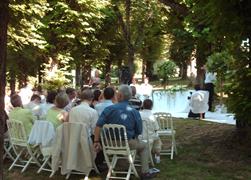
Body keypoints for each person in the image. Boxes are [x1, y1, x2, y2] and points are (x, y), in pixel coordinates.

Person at [93, 85, 158, 178]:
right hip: (127, 143)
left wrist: (96, 141)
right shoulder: (134, 111)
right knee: (144, 146)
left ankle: (123, 166)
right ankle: (145, 172)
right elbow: (139, 131)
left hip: (108, 143)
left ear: (120, 96)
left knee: (128, 145)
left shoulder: (109, 109)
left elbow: (98, 125)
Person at [140, 99, 162, 163]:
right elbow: (156, 128)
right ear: (152, 106)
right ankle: (157, 156)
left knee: (155, 139)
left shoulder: (138, 114)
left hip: (140, 137)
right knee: (158, 141)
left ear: (143, 105)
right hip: (149, 137)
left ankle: (152, 154)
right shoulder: (152, 116)